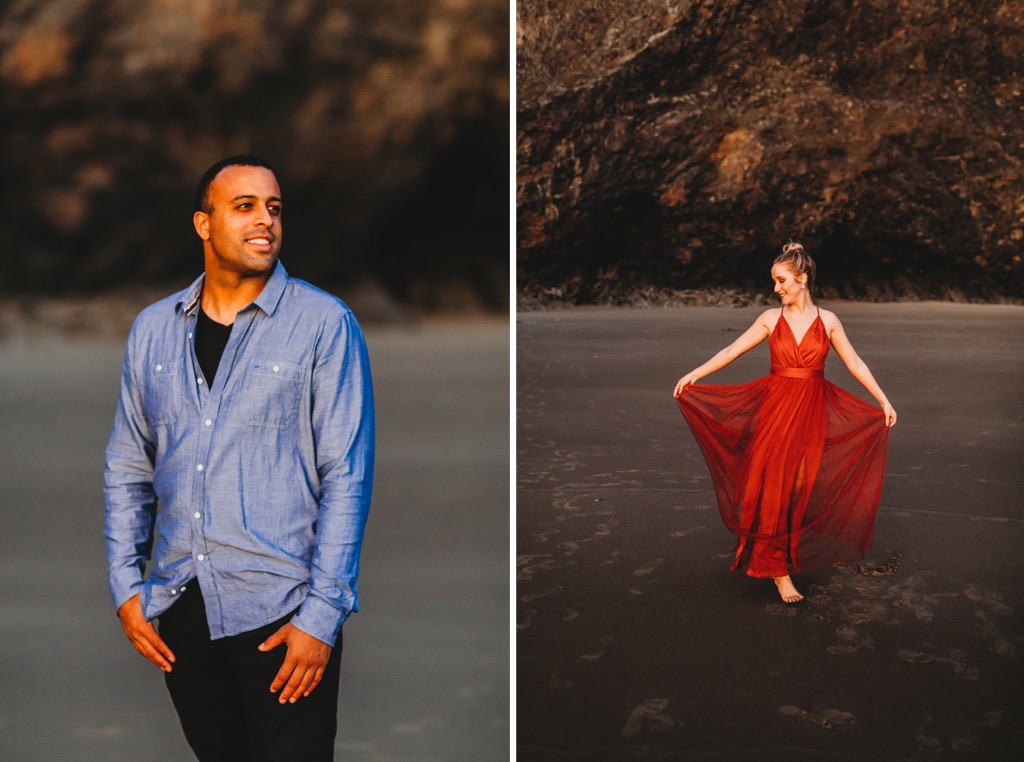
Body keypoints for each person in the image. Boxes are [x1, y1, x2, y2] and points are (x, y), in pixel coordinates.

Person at [104, 155, 375, 760]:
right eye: (245, 206)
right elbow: (129, 466)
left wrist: (320, 618)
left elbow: (347, 477)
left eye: (274, 208)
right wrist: (127, 585)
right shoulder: (152, 330)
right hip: (180, 615)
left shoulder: (324, 324)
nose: (266, 221)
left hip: (281, 619)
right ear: (204, 224)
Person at [673, 242, 896, 604]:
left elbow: (855, 362)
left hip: (812, 414)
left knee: (800, 490)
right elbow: (731, 350)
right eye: (774, 281)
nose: (776, 288)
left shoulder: (828, 320)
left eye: (781, 280)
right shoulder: (769, 319)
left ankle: (783, 556)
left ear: (802, 279)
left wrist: (882, 399)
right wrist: (695, 373)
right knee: (774, 487)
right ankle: (777, 571)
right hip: (777, 412)